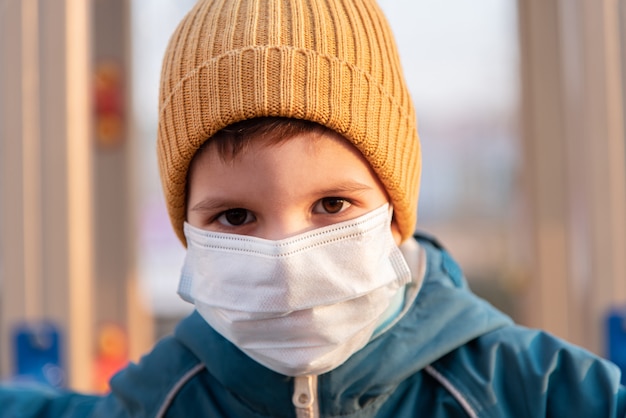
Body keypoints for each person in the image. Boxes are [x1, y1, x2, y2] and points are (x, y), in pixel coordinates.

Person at [2, 0, 625, 416]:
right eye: (236, 217)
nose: (286, 262)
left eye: (330, 204)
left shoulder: (524, 388)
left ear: (394, 207)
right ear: (187, 225)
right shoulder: (161, 397)